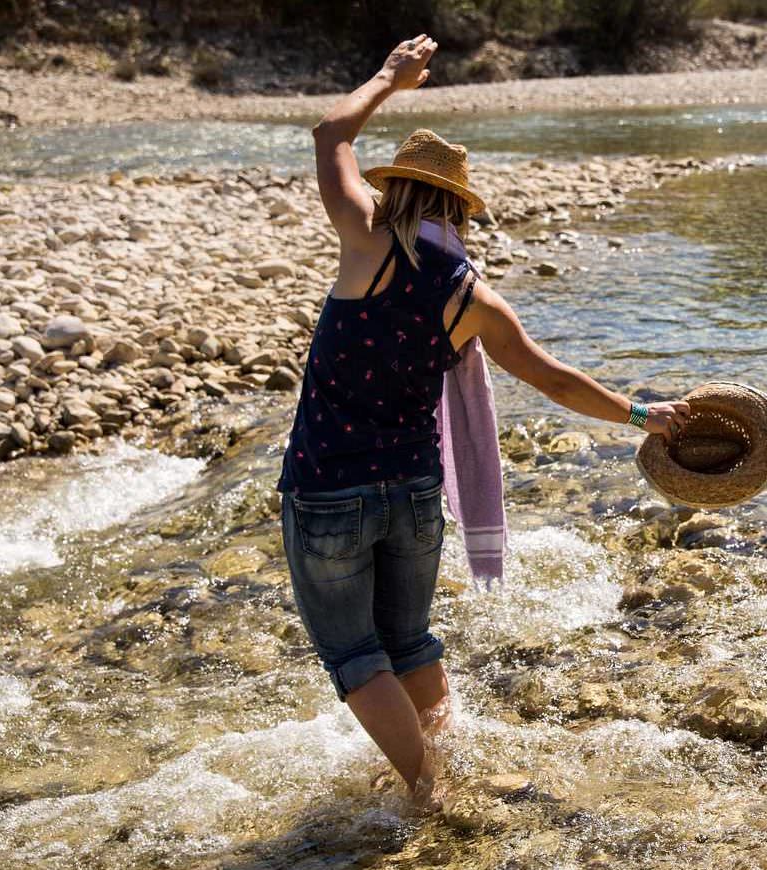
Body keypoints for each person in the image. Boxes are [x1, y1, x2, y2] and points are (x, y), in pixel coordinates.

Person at [277, 34, 690, 809]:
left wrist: (390, 79)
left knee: (355, 656)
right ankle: (443, 767)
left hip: (328, 487)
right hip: (412, 496)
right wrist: (644, 414)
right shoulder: (474, 298)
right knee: (409, 643)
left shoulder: (364, 237)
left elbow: (330, 135)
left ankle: (428, 789)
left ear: (397, 190)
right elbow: (554, 379)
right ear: (457, 211)